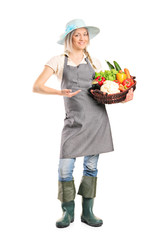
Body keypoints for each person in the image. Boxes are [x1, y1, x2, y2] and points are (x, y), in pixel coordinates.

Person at [33, 19, 134, 228]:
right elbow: (37, 86)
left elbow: (105, 91)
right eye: (77, 35)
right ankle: (66, 213)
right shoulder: (58, 60)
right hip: (73, 123)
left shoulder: (94, 61)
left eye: (85, 35)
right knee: (64, 169)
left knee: (91, 168)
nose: (82, 39)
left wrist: (123, 97)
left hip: (96, 121)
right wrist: (59, 92)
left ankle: (88, 213)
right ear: (70, 38)